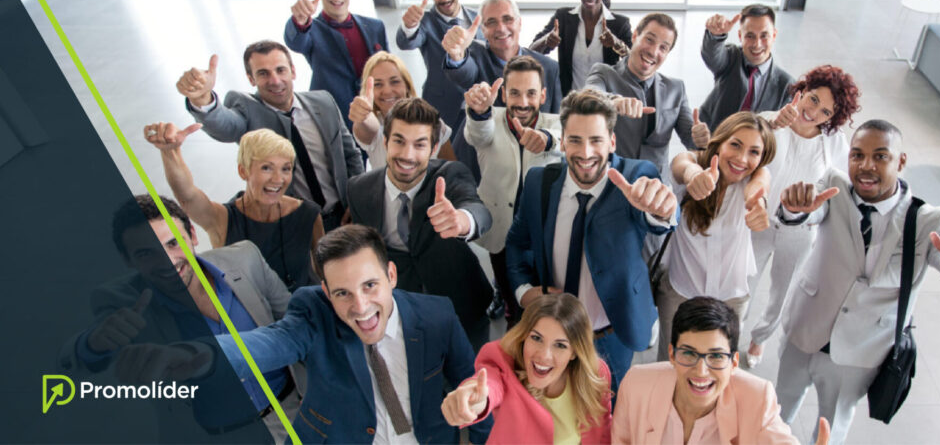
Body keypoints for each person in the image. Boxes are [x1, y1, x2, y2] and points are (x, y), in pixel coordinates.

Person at [775, 120, 940, 444]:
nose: (866, 166)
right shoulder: (832, 186)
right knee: (776, 412)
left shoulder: (929, 220)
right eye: (857, 155)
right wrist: (793, 210)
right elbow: (806, 212)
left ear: (901, 161)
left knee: (830, 430)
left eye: (880, 156)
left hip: (861, 351)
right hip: (804, 329)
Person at [217, 224, 492, 444]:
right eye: (342, 293)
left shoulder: (437, 316)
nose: (360, 307)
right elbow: (268, 344)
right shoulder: (314, 313)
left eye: (370, 285)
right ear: (326, 293)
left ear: (391, 275)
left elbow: (473, 385)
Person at [58, 195, 302, 443]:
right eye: (146, 253)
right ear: (127, 260)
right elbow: (69, 368)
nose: (167, 261)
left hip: (297, 412)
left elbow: (299, 324)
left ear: (193, 235)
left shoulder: (244, 258)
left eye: (174, 243)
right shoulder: (120, 300)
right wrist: (92, 344)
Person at [505, 89, 679, 391]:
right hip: (553, 334)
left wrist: (661, 210)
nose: (585, 153)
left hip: (610, 334)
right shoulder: (538, 183)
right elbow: (518, 243)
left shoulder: (636, 176)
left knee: (607, 410)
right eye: (575, 140)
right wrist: (523, 291)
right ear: (562, 142)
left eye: (596, 140)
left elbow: (654, 211)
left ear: (612, 141)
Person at [346, 98, 494, 350]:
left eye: (419, 144)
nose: (407, 155)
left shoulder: (452, 174)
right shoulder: (359, 189)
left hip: (460, 303)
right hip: (400, 308)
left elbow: (479, 211)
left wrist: (462, 221)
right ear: (385, 141)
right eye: (399, 141)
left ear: (434, 148)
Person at [176, 40, 364, 230]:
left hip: (344, 217)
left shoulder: (323, 102)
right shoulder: (246, 109)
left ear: (293, 71)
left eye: (280, 70)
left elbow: (350, 155)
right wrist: (203, 99)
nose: (275, 80)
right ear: (251, 79)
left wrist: (356, 201)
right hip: (295, 228)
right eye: (263, 73)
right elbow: (226, 125)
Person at [745, 65, 861, 367]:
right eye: (812, 100)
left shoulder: (834, 144)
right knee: (744, 282)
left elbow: (845, 187)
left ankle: (760, 338)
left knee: (781, 291)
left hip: (799, 232)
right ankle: (730, 335)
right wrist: (771, 125)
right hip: (758, 221)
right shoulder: (768, 120)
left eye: (825, 112)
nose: (814, 113)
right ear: (800, 92)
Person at [612, 297, 831, 445]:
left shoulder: (756, 398)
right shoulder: (636, 385)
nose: (701, 371)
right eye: (689, 353)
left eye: (716, 356)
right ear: (671, 354)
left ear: (734, 362)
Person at [655, 111, 775, 361]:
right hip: (680, 293)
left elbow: (760, 182)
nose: (742, 158)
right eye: (735, 145)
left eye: (754, 152)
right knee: (670, 364)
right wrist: (693, 177)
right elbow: (681, 164)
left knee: (718, 369)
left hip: (730, 297)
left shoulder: (754, 178)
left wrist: (759, 201)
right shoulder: (693, 162)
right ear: (719, 141)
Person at [144, 123, 322, 290]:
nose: (278, 179)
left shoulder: (308, 213)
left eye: (286, 169)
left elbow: (325, 269)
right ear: (243, 171)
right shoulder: (221, 218)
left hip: (307, 314)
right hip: (254, 317)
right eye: (266, 168)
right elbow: (187, 196)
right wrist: (170, 152)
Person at [463, 55, 564, 327]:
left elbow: (564, 139)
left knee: (543, 291)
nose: (522, 102)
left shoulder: (556, 123)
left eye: (531, 93)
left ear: (543, 95)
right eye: (515, 93)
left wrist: (547, 140)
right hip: (500, 230)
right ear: (503, 94)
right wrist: (480, 112)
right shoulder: (487, 119)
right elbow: (477, 135)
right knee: (510, 290)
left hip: (542, 232)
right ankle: (510, 311)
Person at [441, 294, 612, 443]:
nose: (544, 355)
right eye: (536, 338)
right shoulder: (503, 361)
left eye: (560, 345)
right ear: (524, 336)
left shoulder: (595, 374)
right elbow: (491, 385)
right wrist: (475, 401)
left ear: (574, 352)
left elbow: (602, 432)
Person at [442, 0, 561, 181]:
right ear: (482, 29)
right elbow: (464, 71)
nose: (501, 28)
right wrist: (457, 55)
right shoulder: (474, 56)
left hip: (531, 167)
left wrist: (547, 139)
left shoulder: (549, 68)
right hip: (481, 170)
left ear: (519, 23)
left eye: (507, 19)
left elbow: (558, 122)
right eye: (491, 22)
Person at [585, 12, 707, 173]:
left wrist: (700, 139)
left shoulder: (676, 88)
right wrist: (613, 102)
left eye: (663, 47)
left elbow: (691, 139)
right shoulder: (604, 73)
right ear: (635, 36)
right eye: (649, 40)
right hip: (610, 180)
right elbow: (588, 96)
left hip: (655, 186)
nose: (653, 51)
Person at [284, 0, 389, 126]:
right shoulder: (310, 29)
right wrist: (299, 21)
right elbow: (296, 42)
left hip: (375, 114)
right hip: (335, 117)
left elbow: (389, 69)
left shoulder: (375, 26)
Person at [395, 0, 483, 128]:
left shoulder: (478, 19)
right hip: (442, 107)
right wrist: (409, 26)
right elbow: (406, 42)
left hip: (480, 105)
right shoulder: (425, 22)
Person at [528, 0, 632, 95]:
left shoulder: (619, 24)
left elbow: (635, 63)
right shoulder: (563, 18)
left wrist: (616, 44)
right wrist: (546, 41)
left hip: (606, 104)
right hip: (570, 102)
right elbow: (530, 53)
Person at [348, 51, 455, 169]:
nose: (387, 91)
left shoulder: (433, 121)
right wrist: (363, 117)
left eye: (395, 82)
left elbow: (453, 171)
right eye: (378, 84)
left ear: (407, 85)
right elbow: (367, 127)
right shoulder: (374, 126)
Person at [699, 4, 794, 132]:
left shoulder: (786, 85)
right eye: (750, 36)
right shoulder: (730, 57)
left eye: (764, 35)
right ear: (740, 36)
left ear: (774, 35)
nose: (757, 44)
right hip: (714, 139)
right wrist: (715, 36)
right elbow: (712, 55)